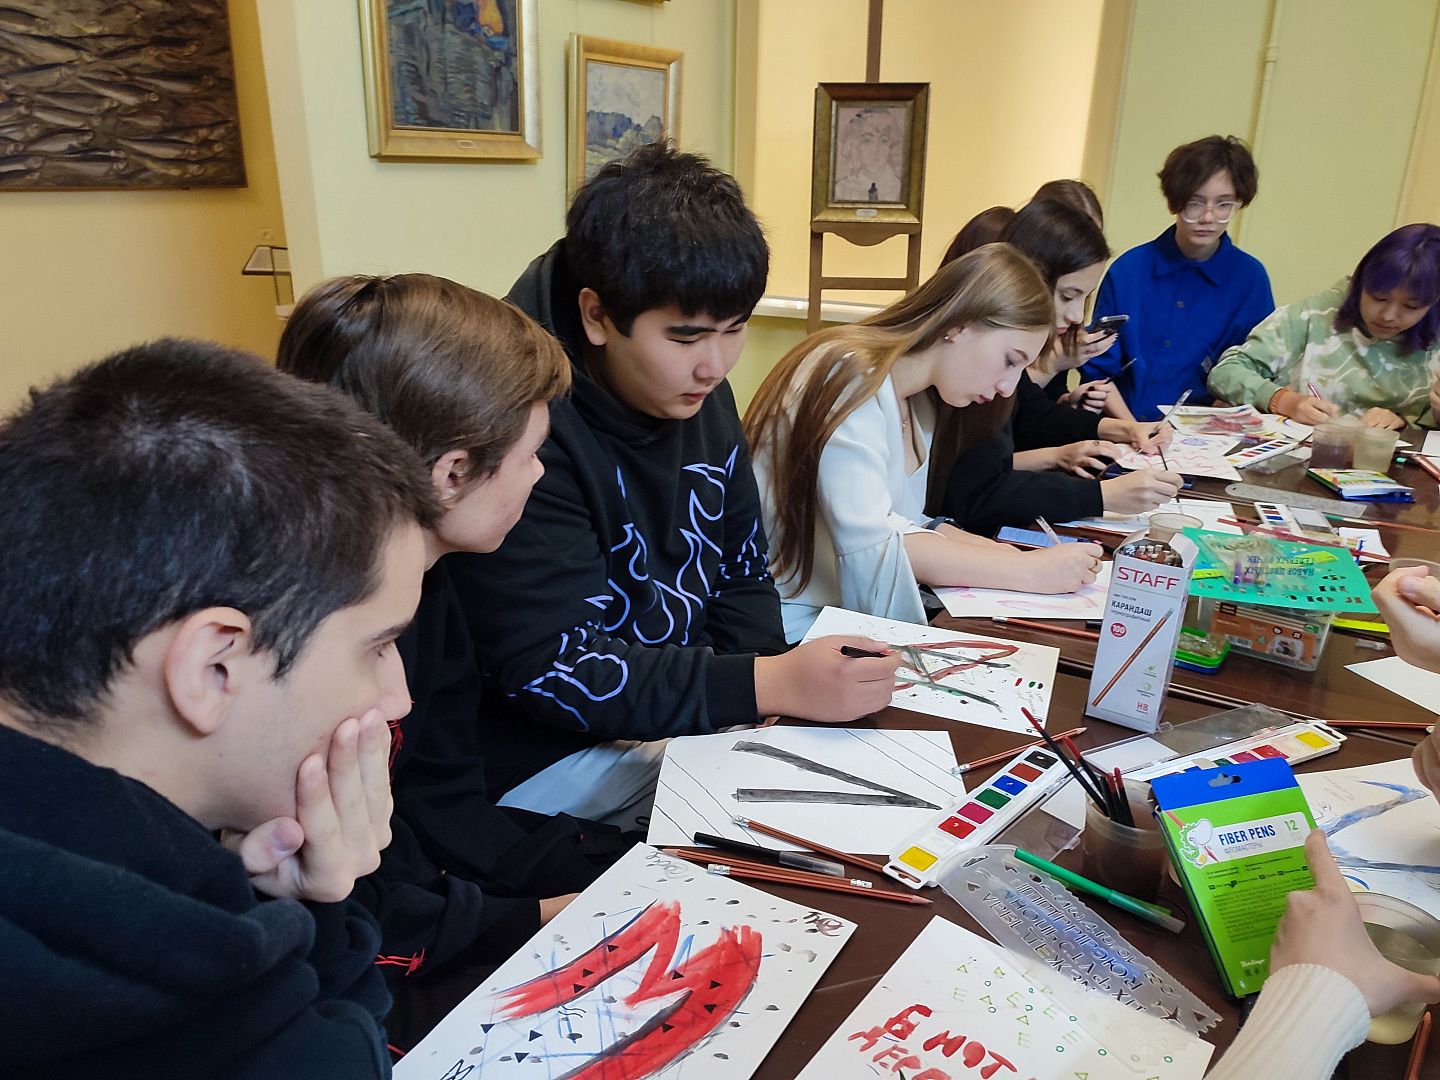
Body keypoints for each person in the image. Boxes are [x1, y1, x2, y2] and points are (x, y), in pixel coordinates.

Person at [0, 339, 437, 1078]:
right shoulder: (178, 991)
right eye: (378, 646)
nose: (397, 696)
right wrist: (324, 916)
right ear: (214, 667)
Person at [447, 142, 900, 826]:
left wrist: (770, 703)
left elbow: (741, 573)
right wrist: (763, 684)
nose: (715, 365)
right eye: (686, 338)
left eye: (735, 330)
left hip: (682, 717)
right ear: (597, 315)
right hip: (549, 757)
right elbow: (552, 669)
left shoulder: (692, 388)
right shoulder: (521, 422)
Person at [277, 274, 637, 1048]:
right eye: (531, 455)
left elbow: (442, 797)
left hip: (404, 901)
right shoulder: (314, 636)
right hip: (350, 952)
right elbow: (348, 906)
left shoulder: (432, 581)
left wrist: (559, 887)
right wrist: (531, 919)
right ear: (451, 473)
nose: (539, 475)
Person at [744, 243, 1105, 640]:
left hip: (832, 616)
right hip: (790, 626)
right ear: (960, 325)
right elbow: (871, 544)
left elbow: (904, 522)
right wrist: (1028, 571)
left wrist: (1005, 556)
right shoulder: (847, 374)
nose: (1008, 387)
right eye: (1010, 360)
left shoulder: (919, 400)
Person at [933, 200, 1181, 536]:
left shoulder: (1002, 352)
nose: (1077, 315)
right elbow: (978, 491)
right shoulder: (978, 356)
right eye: (1067, 296)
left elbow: (1031, 411)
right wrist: (1102, 495)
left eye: (1084, 298)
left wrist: (1124, 429)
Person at [1084, 135, 1274, 421]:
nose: (1208, 217)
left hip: (1206, 435)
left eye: (1223, 205)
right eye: (1195, 204)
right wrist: (1133, 430)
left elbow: (1252, 373)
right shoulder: (1128, 271)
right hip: (1119, 425)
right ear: (1175, 202)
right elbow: (1098, 371)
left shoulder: (1250, 280)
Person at [1209, 223, 1440, 429]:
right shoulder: (1315, 315)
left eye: (1411, 306)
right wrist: (1283, 400)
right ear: (1361, 282)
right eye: (1379, 298)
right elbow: (1226, 372)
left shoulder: (1435, 341)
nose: (1389, 316)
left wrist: (1403, 420)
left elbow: (1427, 422)